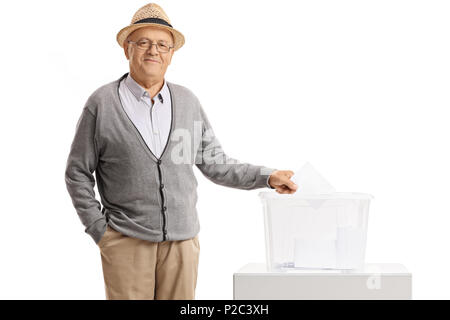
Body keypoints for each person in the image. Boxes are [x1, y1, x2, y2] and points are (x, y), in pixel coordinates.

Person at [64, 3, 297, 300]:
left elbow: (217, 164)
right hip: (126, 241)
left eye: (163, 44)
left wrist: (268, 176)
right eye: (144, 42)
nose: (153, 51)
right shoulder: (102, 103)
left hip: (182, 245)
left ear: (172, 54)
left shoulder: (188, 102)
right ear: (127, 49)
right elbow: (77, 172)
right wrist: (101, 231)